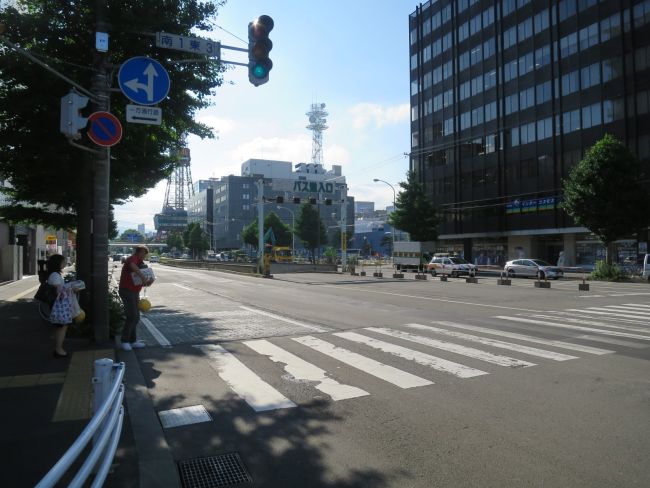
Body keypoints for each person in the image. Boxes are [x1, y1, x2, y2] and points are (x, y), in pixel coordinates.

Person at [118, 245, 154, 351]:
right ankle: (124, 341)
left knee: (136, 317)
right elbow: (133, 267)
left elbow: (142, 283)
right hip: (126, 290)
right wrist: (143, 276)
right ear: (138, 252)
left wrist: (149, 282)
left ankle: (132, 341)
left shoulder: (142, 264)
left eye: (145, 253)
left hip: (134, 292)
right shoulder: (132, 259)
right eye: (143, 253)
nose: (144, 255)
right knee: (132, 315)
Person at [46, 254, 70, 358]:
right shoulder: (55, 275)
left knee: (60, 327)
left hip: (57, 305)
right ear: (57, 263)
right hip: (58, 305)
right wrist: (71, 289)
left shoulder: (54, 274)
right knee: (62, 327)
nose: (64, 263)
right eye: (63, 261)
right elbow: (59, 292)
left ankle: (58, 348)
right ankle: (59, 349)